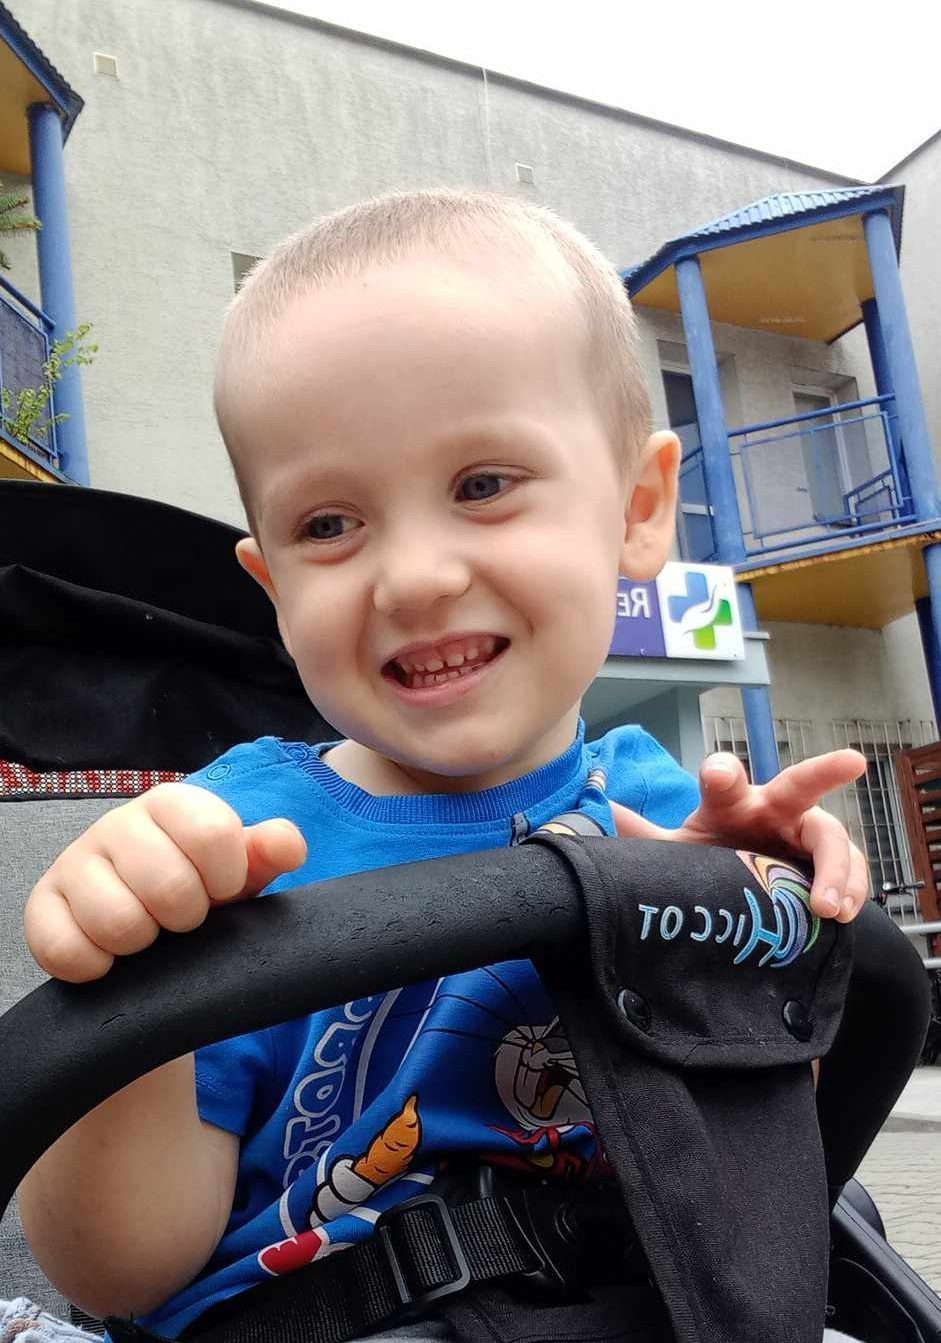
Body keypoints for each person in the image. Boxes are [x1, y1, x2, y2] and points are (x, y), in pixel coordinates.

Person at [19, 190, 869, 1341]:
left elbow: (765, 1170)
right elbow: (118, 1270)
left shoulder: (666, 816)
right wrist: (128, 998)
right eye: (328, 525)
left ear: (636, 509)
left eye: (481, 486)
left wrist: (753, 939)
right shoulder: (220, 849)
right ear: (272, 590)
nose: (415, 576)